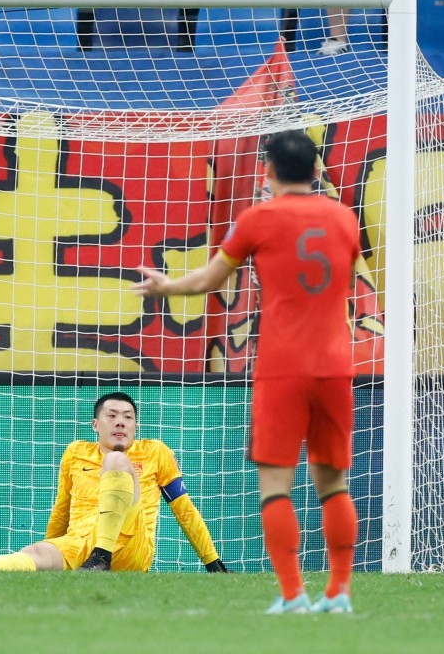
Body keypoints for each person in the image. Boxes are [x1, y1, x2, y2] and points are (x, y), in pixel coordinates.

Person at [132, 130, 360, 614]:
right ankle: (339, 592)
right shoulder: (345, 219)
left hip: (282, 369)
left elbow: (212, 280)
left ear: (268, 172)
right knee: (333, 485)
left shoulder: (258, 218)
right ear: (318, 173)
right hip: (336, 367)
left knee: (276, 486)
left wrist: (165, 286)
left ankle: (294, 594)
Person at [0, 391, 228, 574]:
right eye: (112, 416)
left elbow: (184, 509)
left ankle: (102, 556)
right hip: (80, 543)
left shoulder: (155, 452)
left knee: (116, 461)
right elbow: (62, 508)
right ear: (96, 424)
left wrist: (211, 560)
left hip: (130, 545)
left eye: (128, 417)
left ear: (135, 426)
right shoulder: (76, 452)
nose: (120, 422)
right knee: (35, 552)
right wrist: (53, 545)